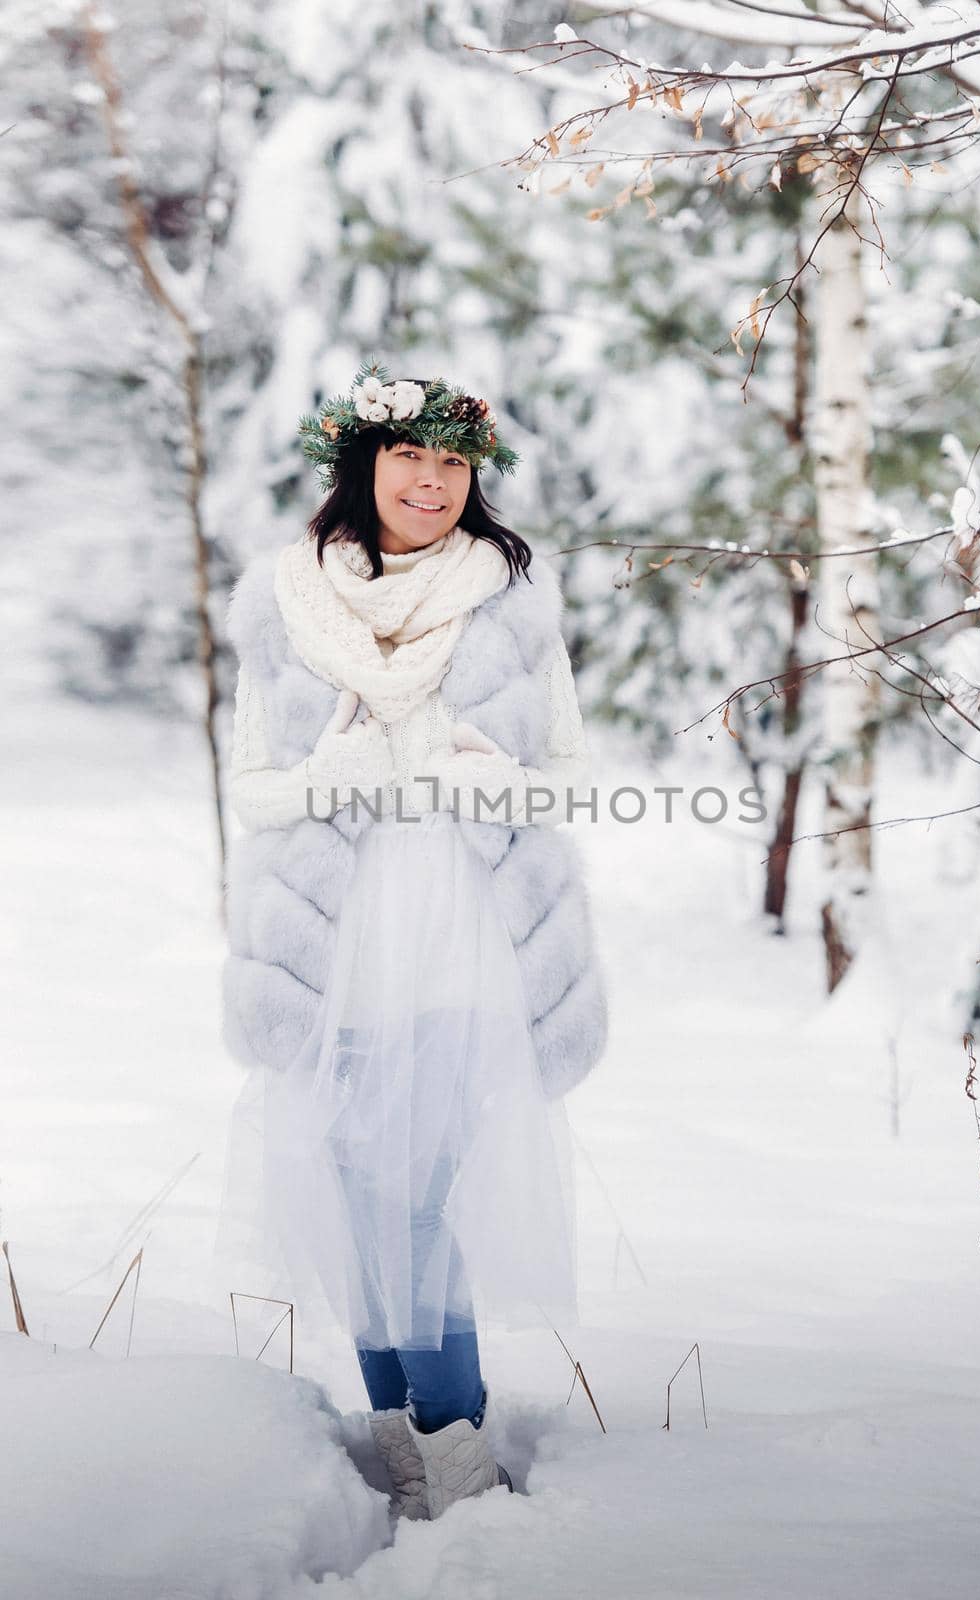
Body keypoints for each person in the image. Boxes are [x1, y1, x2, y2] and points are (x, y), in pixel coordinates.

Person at [216, 361, 609, 1521]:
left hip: (459, 931)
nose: (432, 483)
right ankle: (399, 1445)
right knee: (353, 1196)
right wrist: (323, 775)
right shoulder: (282, 604)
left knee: (422, 1200)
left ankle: (459, 1454)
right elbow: (253, 790)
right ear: (362, 465)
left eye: (452, 463)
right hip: (333, 944)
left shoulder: (512, 602)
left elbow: (574, 772)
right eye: (409, 458)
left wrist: (505, 779)